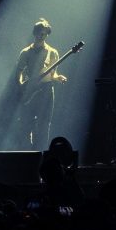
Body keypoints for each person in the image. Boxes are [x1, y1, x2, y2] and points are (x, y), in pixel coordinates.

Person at [13, 18, 67, 150]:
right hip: (30, 90)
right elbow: (19, 72)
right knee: (26, 123)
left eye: (44, 33)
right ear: (35, 33)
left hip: (47, 90)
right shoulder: (25, 52)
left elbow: (53, 74)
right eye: (39, 33)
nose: (42, 36)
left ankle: (42, 152)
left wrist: (58, 77)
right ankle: (26, 153)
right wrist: (21, 85)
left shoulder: (52, 52)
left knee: (44, 124)